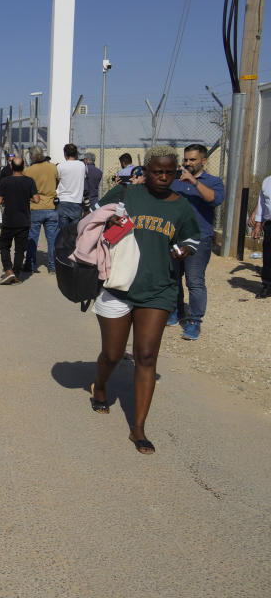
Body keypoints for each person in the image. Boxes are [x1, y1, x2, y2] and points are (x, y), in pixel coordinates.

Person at [89, 147, 201, 455]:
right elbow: (94, 212)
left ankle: (138, 428)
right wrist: (109, 221)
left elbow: (192, 237)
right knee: (112, 354)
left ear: (176, 173)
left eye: (169, 172)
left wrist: (184, 249)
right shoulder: (127, 193)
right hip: (118, 285)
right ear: (145, 171)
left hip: (159, 288)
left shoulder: (181, 206)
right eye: (157, 171)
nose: (163, 177)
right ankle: (100, 386)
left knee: (147, 355)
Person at [163, 144, 225, 339]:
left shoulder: (213, 182)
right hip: (174, 237)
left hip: (199, 239)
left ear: (203, 161)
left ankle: (194, 322)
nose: (188, 163)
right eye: (186, 159)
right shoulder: (175, 181)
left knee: (195, 281)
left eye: (192, 160)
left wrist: (194, 182)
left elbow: (214, 200)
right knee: (172, 277)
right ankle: (176, 311)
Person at [0, 157, 39, 284]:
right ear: (24, 166)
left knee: (4, 245)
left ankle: (8, 269)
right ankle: (16, 274)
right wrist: (27, 198)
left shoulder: (5, 181)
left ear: (11, 167)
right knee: (20, 249)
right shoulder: (29, 181)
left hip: (9, 219)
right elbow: (36, 199)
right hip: (24, 220)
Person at [22, 145, 60, 274]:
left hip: (35, 207)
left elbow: (26, 189)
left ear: (31, 156)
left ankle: (30, 264)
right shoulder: (53, 167)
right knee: (52, 239)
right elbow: (57, 182)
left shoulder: (28, 171)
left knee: (32, 238)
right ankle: (52, 266)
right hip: (51, 206)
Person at [248, 173, 271, 298]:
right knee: (268, 256)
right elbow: (262, 204)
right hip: (270, 224)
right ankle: (267, 285)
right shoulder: (267, 181)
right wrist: (258, 225)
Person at [56, 143, 87, 229]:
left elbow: (57, 181)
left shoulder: (60, 166)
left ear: (65, 154)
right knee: (74, 233)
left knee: (62, 232)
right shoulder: (82, 165)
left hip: (63, 201)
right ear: (76, 153)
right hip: (77, 201)